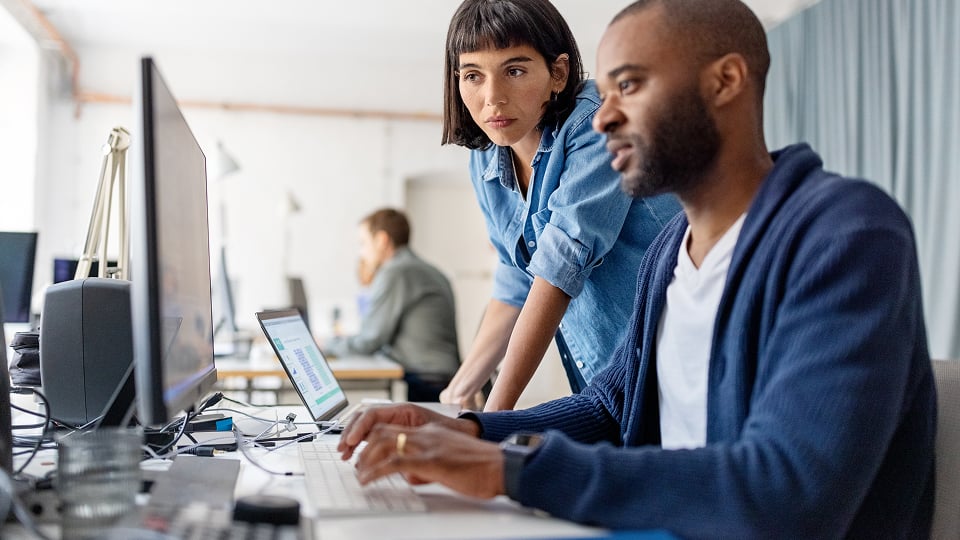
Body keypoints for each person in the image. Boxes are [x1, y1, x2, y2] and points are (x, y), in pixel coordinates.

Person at [337, 0, 938, 536]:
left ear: (725, 81)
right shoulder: (670, 250)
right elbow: (608, 408)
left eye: (629, 85)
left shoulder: (846, 234)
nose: (601, 118)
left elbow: (788, 492)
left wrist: (510, 467)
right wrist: (467, 431)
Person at [438, 0, 681, 411]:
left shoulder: (597, 122)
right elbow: (516, 281)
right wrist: (459, 393)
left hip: (673, 365)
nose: (492, 98)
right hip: (607, 382)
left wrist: (493, 418)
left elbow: (560, 264)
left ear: (558, 73)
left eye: (514, 71)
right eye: (473, 75)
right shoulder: (485, 157)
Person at [324, 208, 460, 402]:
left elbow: (369, 341)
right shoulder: (426, 269)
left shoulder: (396, 272)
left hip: (425, 381)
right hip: (442, 377)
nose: (361, 252)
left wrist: (327, 344)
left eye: (363, 243)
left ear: (381, 240)